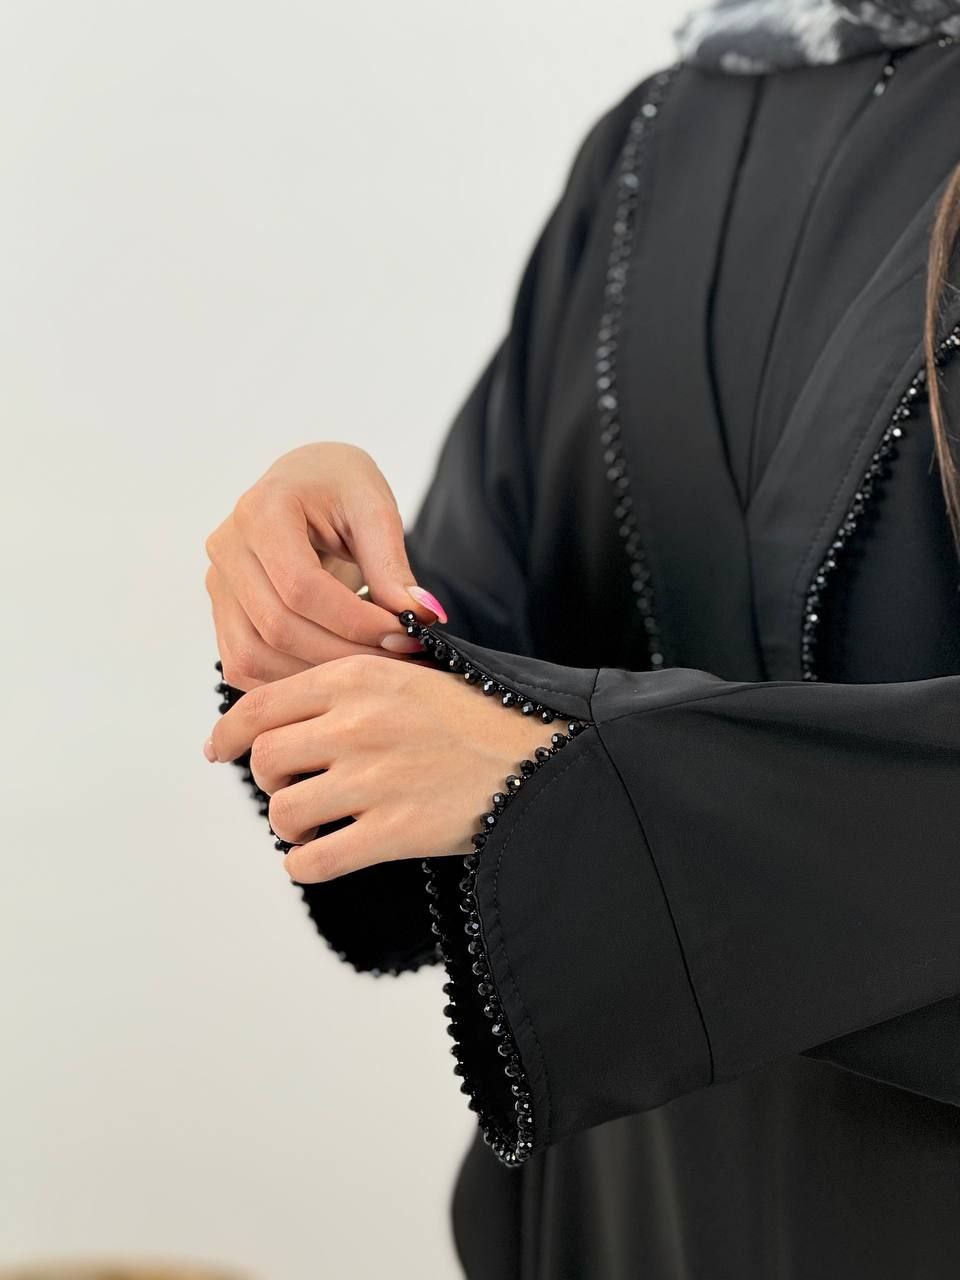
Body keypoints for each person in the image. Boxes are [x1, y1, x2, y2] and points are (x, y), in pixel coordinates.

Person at [202, 2, 960, 1275]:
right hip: (630, 1205)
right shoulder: (659, 138)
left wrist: (569, 777)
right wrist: (334, 623)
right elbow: (480, 660)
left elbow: (519, 755)